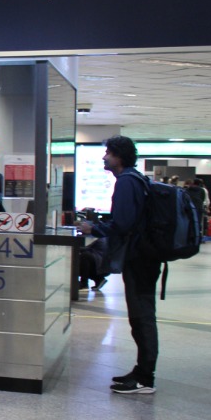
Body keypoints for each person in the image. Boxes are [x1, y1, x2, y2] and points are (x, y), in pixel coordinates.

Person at [79, 136, 161, 395]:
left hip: (139, 258)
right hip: (144, 256)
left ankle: (146, 377)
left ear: (119, 156)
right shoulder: (136, 179)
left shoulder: (127, 182)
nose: (104, 157)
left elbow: (123, 224)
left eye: (108, 153)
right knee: (141, 315)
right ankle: (142, 371)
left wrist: (94, 227)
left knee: (142, 316)